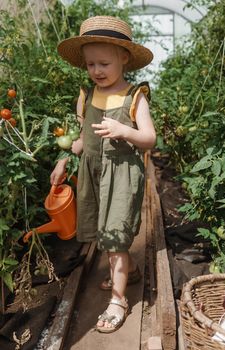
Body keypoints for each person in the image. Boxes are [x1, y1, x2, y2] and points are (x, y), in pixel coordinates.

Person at [50, 15, 156, 333]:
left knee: (114, 239)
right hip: (95, 176)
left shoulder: (134, 98)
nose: (96, 70)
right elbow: (83, 140)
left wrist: (125, 129)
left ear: (124, 58)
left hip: (122, 176)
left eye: (104, 63)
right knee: (107, 234)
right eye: (91, 64)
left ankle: (118, 300)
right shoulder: (87, 96)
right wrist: (63, 160)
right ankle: (130, 270)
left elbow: (149, 139)